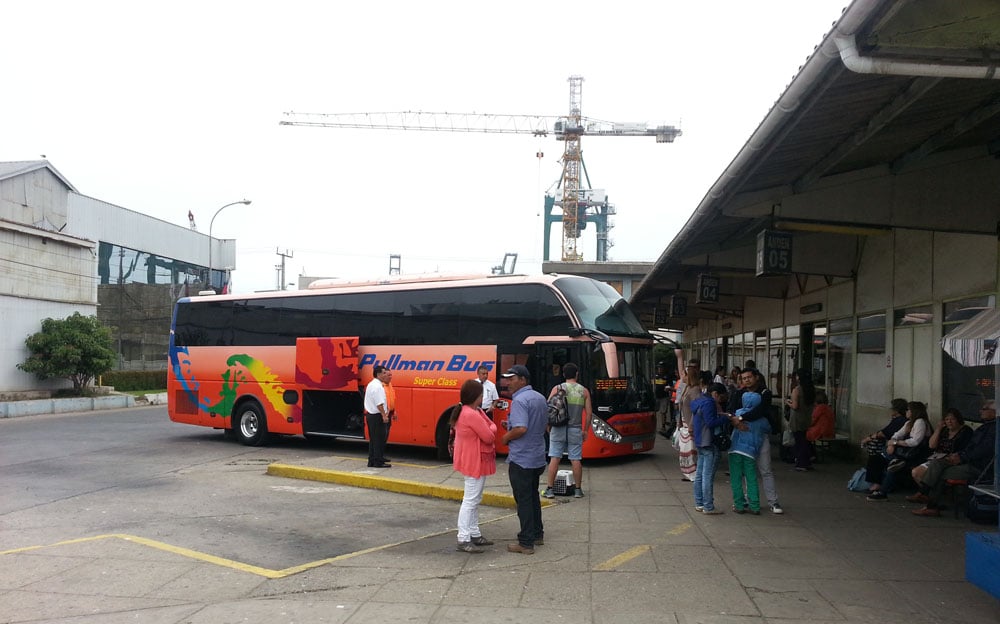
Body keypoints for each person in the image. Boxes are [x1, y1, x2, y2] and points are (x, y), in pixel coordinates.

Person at [912, 400, 997, 517]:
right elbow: (969, 448)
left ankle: (929, 501)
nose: (980, 411)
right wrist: (958, 455)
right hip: (965, 459)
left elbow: (983, 450)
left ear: (994, 412)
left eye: (984, 409)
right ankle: (925, 495)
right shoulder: (985, 427)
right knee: (937, 464)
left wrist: (961, 457)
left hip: (979, 466)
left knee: (939, 474)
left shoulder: (994, 429)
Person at [499, 364, 548, 554]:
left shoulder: (519, 400)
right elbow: (540, 425)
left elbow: (521, 429)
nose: (507, 382)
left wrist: (505, 437)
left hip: (522, 458)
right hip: (537, 456)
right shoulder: (539, 397)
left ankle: (526, 542)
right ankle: (537, 533)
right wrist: (510, 425)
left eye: (512, 379)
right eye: (507, 379)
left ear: (523, 380)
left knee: (524, 500)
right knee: (533, 496)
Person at [450, 379, 498, 553]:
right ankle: (464, 537)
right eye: (481, 395)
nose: (482, 397)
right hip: (475, 461)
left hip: (471, 459)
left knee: (474, 499)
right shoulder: (472, 414)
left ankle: (474, 533)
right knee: (471, 500)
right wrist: (491, 427)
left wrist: (489, 426)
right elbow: (490, 435)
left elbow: (488, 427)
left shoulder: (471, 411)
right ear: (476, 396)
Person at [729, 368, 784, 514]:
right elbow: (731, 410)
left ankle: (773, 501)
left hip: (760, 435)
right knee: (748, 470)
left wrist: (740, 418)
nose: (747, 380)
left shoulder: (765, 393)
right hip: (743, 437)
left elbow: (760, 411)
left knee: (765, 469)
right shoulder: (739, 393)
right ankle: (748, 499)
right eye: (744, 378)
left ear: (757, 377)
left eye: (749, 377)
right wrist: (735, 421)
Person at [543, 362, 592, 499]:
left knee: (555, 457)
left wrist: (548, 425)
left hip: (558, 428)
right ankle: (577, 490)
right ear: (577, 374)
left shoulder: (557, 388)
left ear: (563, 374)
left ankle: (550, 489)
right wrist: (585, 430)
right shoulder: (584, 391)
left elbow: (548, 408)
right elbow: (588, 414)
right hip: (575, 428)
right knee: (575, 459)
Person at [866, 401, 931, 501]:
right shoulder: (909, 423)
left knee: (893, 465)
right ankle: (882, 490)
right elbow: (897, 434)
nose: (906, 411)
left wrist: (896, 443)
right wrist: (892, 442)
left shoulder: (920, 422)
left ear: (914, 411)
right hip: (905, 454)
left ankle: (882, 492)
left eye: (908, 409)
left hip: (916, 455)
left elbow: (915, 442)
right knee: (890, 461)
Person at [907, 408, 973, 503]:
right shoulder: (945, 430)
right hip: (937, 458)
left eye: (952, 419)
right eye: (947, 419)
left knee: (924, 472)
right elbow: (931, 445)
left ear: (958, 419)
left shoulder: (966, 431)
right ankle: (929, 496)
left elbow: (963, 450)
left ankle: (927, 496)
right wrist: (938, 429)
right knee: (915, 472)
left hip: (952, 460)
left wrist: (951, 456)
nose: (949, 422)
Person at [690, 382, 731, 514]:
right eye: (721, 398)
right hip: (707, 440)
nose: (720, 401)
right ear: (715, 394)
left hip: (699, 440)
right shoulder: (709, 403)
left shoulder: (699, 400)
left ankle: (699, 503)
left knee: (699, 475)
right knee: (707, 475)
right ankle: (708, 506)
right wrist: (726, 419)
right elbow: (710, 422)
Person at [730, 389, 771, 514]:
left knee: (736, 478)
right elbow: (769, 429)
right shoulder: (762, 420)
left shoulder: (738, 413)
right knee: (751, 478)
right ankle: (755, 505)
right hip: (751, 452)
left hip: (735, 449)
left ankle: (739, 505)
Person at [676, 356, 702, 482]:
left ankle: (694, 474)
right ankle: (689, 473)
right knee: (685, 451)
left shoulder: (695, 390)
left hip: (690, 425)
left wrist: (691, 425)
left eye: (685, 375)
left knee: (691, 451)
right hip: (684, 424)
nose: (683, 377)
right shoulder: (688, 388)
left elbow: (697, 410)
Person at [786, 368, 816, 471]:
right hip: (807, 417)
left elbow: (795, 406)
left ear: (799, 377)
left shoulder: (797, 390)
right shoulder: (812, 389)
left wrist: (788, 402)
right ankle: (807, 462)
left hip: (797, 418)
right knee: (805, 441)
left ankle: (801, 463)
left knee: (799, 441)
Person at [363, 366, 392, 468]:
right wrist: (384, 415)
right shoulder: (378, 387)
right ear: (378, 374)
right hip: (376, 416)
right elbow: (379, 403)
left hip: (371, 415)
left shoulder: (371, 384)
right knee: (379, 440)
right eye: (384, 373)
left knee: (373, 440)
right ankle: (378, 462)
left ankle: (372, 460)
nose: (386, 375)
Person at [381, 368, 397, 462]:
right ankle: (378, 457)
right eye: (388, 375)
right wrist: (384, 414)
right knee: (381, 436)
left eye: (391, 375)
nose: (390, 377)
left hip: (389, 413)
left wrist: (394, 411)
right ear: (383, 376)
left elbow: (392, 399)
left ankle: (381, 455)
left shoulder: (389, 385)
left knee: (385, 436)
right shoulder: (380, 386)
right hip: (384, 414)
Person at [654, 362, 671, 436]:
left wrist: (668, 389)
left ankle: (663, 426)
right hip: (656, 396)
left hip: (664, 396)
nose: (660, 369)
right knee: (654, 412)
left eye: (661, 367)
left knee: (663, 412)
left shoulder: (667, 376)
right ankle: (653, 426)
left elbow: (670, 385)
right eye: (659, 367)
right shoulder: (655, 376)